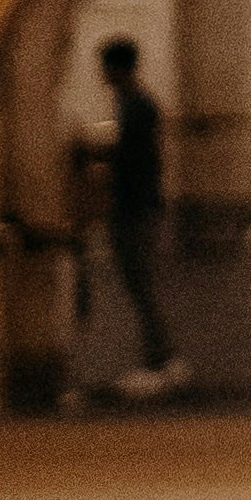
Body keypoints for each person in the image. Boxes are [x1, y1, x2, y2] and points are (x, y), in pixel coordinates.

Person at [88, 35, 190, 403]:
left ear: (117, 67)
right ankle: (160, 358)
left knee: (140, 282)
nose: (101, 74)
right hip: (138, 204)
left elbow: (130, 157)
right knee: (139, 283)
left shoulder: (136, 105)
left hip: (134, 207)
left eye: (105, 66)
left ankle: (161, 360)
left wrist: (96, 155)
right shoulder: (133, 102)